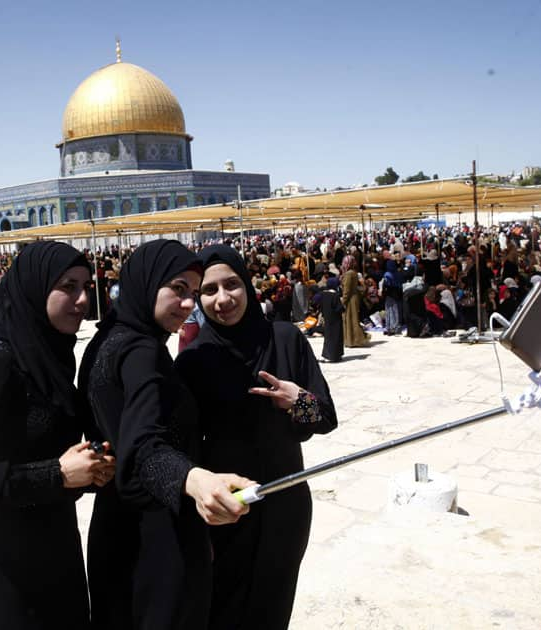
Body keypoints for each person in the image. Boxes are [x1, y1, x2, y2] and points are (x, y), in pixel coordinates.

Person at [78, 238, 253, 630]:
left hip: (115, 529)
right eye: (178, 290)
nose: (189, 305)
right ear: (147, 282)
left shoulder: (105, 340)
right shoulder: (143, 352)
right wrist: (194, 480)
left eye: (193, 293)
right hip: (156, 538)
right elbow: (143, 446)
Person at [0, 241, 115, 629]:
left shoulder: (48, 357)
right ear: (35, 288)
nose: (82, 299)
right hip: (7, 570)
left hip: (55, 551)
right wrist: (58, 474)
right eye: (68, 286)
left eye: (87, 286)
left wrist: (87, 469)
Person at [175, 244, 338, 630]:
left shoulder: (285, 339)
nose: (223, 299)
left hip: (285, 506)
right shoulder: (193, 361)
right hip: (225, 510)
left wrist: (297, 400)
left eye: (231, 284)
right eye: (209, 290)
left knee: (273, 605)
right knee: (223, 609)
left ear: (247, 285)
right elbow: (183, 447)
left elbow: (326, 416)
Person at [340, 255, 368, 347]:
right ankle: (354, 340)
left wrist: (343, 301)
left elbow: (347, 290)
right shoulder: (354, 272)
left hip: (350, 299)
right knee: (353, 319)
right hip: (354, 298)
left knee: (350, 319)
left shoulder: (348, 274)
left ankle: (355, 340)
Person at [319, 276, 344, 362]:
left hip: (327, 319)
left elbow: (321, 306)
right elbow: (338, 308)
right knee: (336, 337)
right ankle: (335, 356)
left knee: (328, 337)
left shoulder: (323, 294)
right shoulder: (335, 295)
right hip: (335, 320)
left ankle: (327, 354)